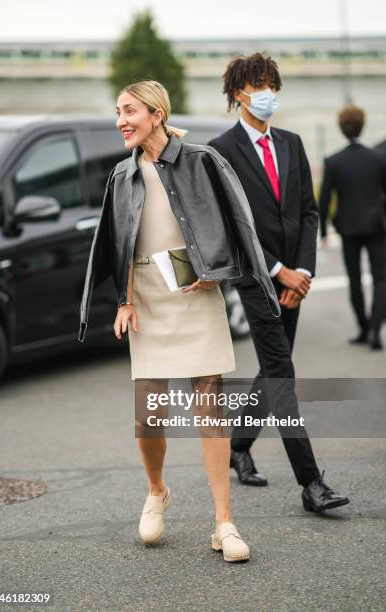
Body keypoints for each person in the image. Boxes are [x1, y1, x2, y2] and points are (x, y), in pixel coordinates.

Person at [78, 79, 282, 562]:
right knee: (149, 410)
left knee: (208, 405)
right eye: (117, 112)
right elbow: (119, 244)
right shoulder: (122, 176)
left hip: (195, 296)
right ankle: (156, 491)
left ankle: (224, 524)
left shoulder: (203, 161)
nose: (120, 121)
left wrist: (213, 269)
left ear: (156, 112)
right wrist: (124, 301)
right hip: (147, 296)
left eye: (128, 110)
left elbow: (238, 224)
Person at [208, 53, 350, 513]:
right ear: (237, 94)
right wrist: (275, 270)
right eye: (257, 85)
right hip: (257, 278)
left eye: (271, 83)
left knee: (273, 368)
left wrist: (302, 272)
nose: (267, 92)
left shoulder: (290, 142)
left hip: (295, 280)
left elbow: (308, 211)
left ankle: (237, 445)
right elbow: (229, 225)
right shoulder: (220, 151)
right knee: (282, 373)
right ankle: (312, 483)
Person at [319, 106, 386, 349]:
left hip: (348, 227)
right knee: (381, 279)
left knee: (354, 279)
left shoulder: (334, 161)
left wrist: (324, 232)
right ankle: (376, 331)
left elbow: (325, 199)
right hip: (377, 226)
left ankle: (363, 328)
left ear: (341, 128)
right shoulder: (378, 158)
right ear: (363, 125)